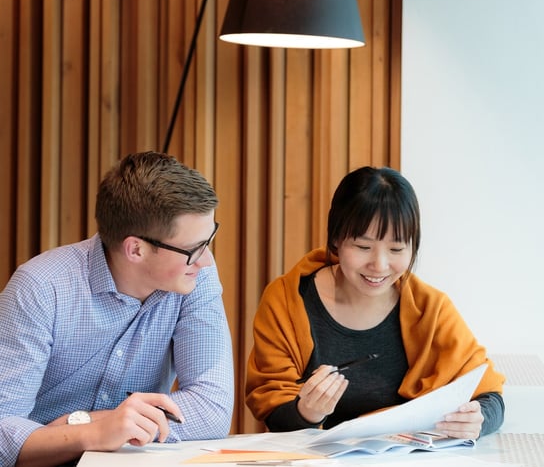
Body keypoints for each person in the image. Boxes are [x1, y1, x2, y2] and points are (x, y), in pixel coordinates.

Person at [0, 152, 234, 467]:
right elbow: (2, 429)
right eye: (194, 249)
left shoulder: (194, 275)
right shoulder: (41, 287)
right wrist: (92, 434)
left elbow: (212, 409)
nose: (206, 260)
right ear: (135, 249)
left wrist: (83, 422)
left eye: (209, 240)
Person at [246, 166, 505, 439]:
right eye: (363, 247)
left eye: (396, 249)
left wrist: (478, 419)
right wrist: (306, 412)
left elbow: (490, 395)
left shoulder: (431, 309)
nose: (379, 266)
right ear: (336, 239)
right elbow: (272, 410)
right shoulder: (287, 301)